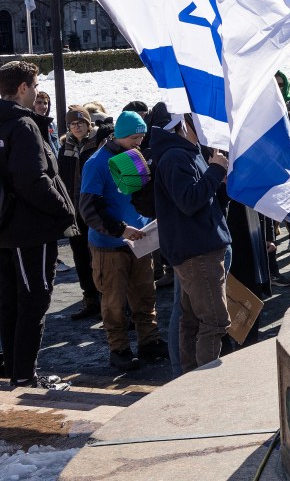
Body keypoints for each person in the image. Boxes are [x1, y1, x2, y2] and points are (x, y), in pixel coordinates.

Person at [0, 61, 76, 390]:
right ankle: (24, 378)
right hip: (28, 229)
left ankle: (16, 375)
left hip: (6, 228)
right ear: (22, 88)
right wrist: (63, 212)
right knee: (33, 301)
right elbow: (32, 179)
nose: (36, 91)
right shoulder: (22, 125)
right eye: (34, 85)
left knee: (11, 302)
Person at [78, 110, 166, 371]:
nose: (139, 143)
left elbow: (145, 194)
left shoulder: (135, 156)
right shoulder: (96, 163)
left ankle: (149, 342)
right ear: (120, 135)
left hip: (140, 241)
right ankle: (119, 349)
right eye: (135, 138)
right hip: (110, 246)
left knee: (145, 296)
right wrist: (120, 230)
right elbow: (89, 208)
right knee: (114, 302)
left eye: (141, 137)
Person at [152, 113, 231, 374]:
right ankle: (203, 388)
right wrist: (216, 169)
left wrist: (217, 180)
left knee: (192, 321)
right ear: (183, 123)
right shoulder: (176, 156)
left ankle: (188, 380)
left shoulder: (184, 151)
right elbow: (189, 200)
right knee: (214, 322)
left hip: (197, 248)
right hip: (198, 251)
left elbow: (200, 197)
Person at [57, 106, 108, 320]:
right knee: (80, 257)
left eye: (80, 123)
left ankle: (107, 301)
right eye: (72, 124)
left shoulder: (100, 143)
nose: (76, 127)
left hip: (95, 209)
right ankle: (90, 299)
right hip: (74, 210)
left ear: (89, 124)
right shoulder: (65, 147)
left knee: (99, 256)